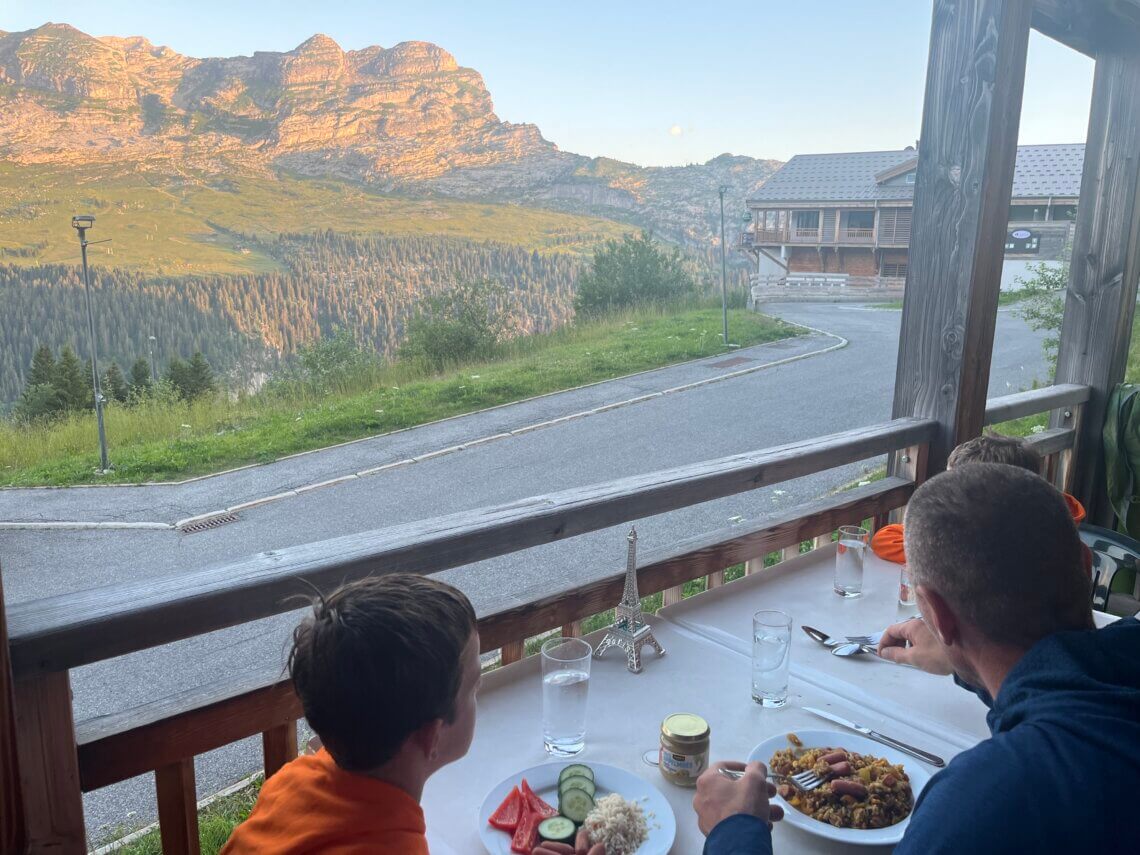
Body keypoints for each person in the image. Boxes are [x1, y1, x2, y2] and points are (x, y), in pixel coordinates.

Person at [694, 464, 1140, 854]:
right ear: (1085, 563)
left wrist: (735, 832)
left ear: (939, 616)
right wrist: (965, 656)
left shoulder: (984, 804)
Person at [221, 573, 480, 855]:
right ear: (433, 736)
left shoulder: (291, 781)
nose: (479, 689)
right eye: (474, 687)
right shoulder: (395, 848)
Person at [869, 432, 1086, 564]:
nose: (944, 488)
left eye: (953, 484)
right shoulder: (976, 525)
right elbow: (885, 538)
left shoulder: (1056, 545)